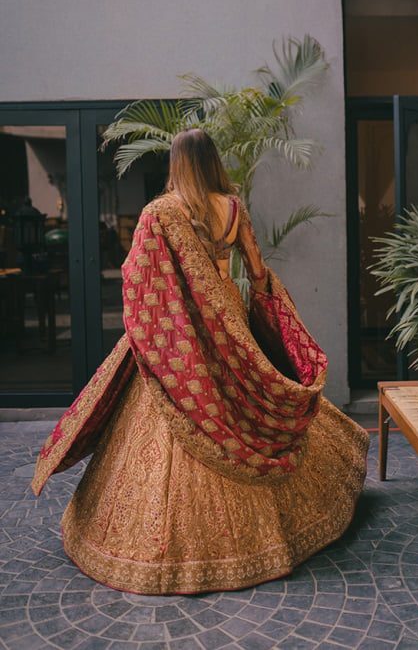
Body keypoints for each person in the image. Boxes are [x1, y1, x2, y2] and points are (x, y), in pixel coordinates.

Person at [31, 129, 369, 595]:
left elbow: (138, 279)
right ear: (212, 161)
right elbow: (256, 270)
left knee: (173, 411)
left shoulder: (159, 213)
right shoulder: (232, 206)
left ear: (176, 163)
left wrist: (162, 320)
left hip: (178, 334)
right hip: (228, 323)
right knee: (238, 404)